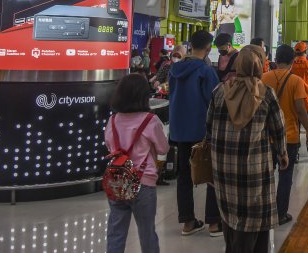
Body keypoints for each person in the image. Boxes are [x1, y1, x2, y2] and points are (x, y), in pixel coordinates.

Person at [206, 45, 287, 253]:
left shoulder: (219, 92)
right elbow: (278, 130)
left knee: (231, 218)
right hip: (254, 170)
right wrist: (282, 153)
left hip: (223, 169)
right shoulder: (266, 94)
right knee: (255, 219)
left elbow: (208, 127)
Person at [105, 73, 169, 253]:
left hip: (117, 179)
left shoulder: (113, 120)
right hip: (144, 182)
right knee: (147, 232)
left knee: (116, 231)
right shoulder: (150, 120)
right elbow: (163, 149)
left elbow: (109, 145)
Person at [168, 30, 222, 237]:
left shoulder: (174, 70)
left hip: (180, 130)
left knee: (183, 176)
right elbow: (214, 102)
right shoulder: (206, 71)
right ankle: (214, 223)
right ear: (208, 48)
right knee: (211, 174)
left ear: (190, 45)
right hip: (202, 130)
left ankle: (188, 222)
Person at [261, 44, 308, 225]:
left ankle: (264, 211)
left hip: (265, 136)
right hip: (289, 137)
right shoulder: (296, 81)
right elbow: (301, 110)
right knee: (286, 176)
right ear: (292, 61)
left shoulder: (263, 78)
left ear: (275, 59)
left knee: (266, 175)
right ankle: (281, 213)